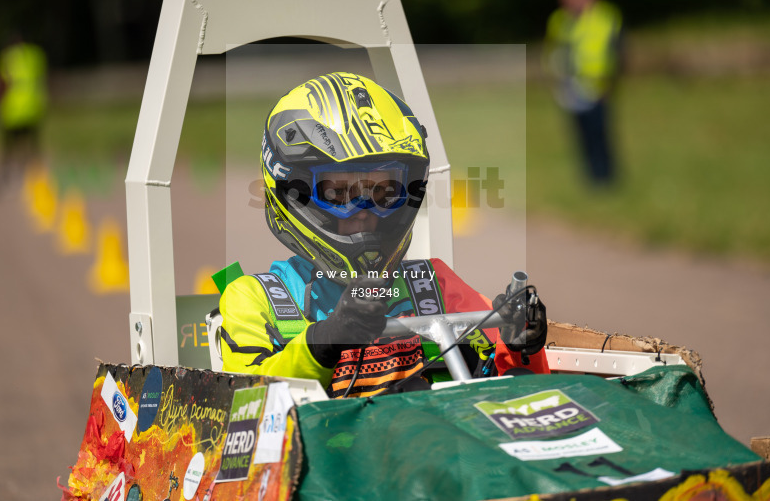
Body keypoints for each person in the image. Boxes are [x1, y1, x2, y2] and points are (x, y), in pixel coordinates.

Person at [217, 72, 548, 399]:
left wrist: (522, 344)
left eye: (383, 192)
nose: (365, 211)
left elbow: (516, 390)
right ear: (293, 191)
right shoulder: (255, 300)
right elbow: (246, 407)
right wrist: (324, 341)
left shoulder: (433, 286)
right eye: (340, 193)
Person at [544, 0, 623, 185]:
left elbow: (618, 51)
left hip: (599, 86)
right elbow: (555, 51)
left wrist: (611, 83)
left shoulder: (606, 16)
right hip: (572, 87)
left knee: (601, 134)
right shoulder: (559, 20)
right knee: (581, 135)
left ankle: (607, 177)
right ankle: (590, 178)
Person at [0, 35, 48, 176]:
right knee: (32, 143)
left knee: (10, 144)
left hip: (13, 107)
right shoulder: (35, 55)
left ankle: (9, 170)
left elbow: (2, 83)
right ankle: (34, 171)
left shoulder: (7, 57)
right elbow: (41, 78)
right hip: (32, 106)